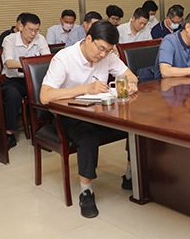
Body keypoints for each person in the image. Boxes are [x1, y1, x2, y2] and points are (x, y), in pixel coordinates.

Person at [41, 20, 138, 218]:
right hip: (71, 115)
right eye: (100, 48)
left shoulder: (108, 56)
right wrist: (86, 89)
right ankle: (86, 192)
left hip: (101, 112)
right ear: (88, 39)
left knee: (135, 126)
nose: (103, 55)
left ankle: (130, 175)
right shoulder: (64, 58)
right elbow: (45, 96)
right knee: (87, 136)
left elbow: (131, 76)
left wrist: (131, 84)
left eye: (108, 51)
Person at [1, 13, 50, 149]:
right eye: (30, 29)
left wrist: (30, 64)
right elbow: (9, 63)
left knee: (48, 92)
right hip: (13, 80)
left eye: (36, 30)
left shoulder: (40, 39)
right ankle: (9, 134)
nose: (33, 34)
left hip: (34, 80)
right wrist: (31, 64)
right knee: (12, 95)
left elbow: (47, 59)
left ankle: (44, 131)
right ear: (21, 26)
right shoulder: (10, 39)